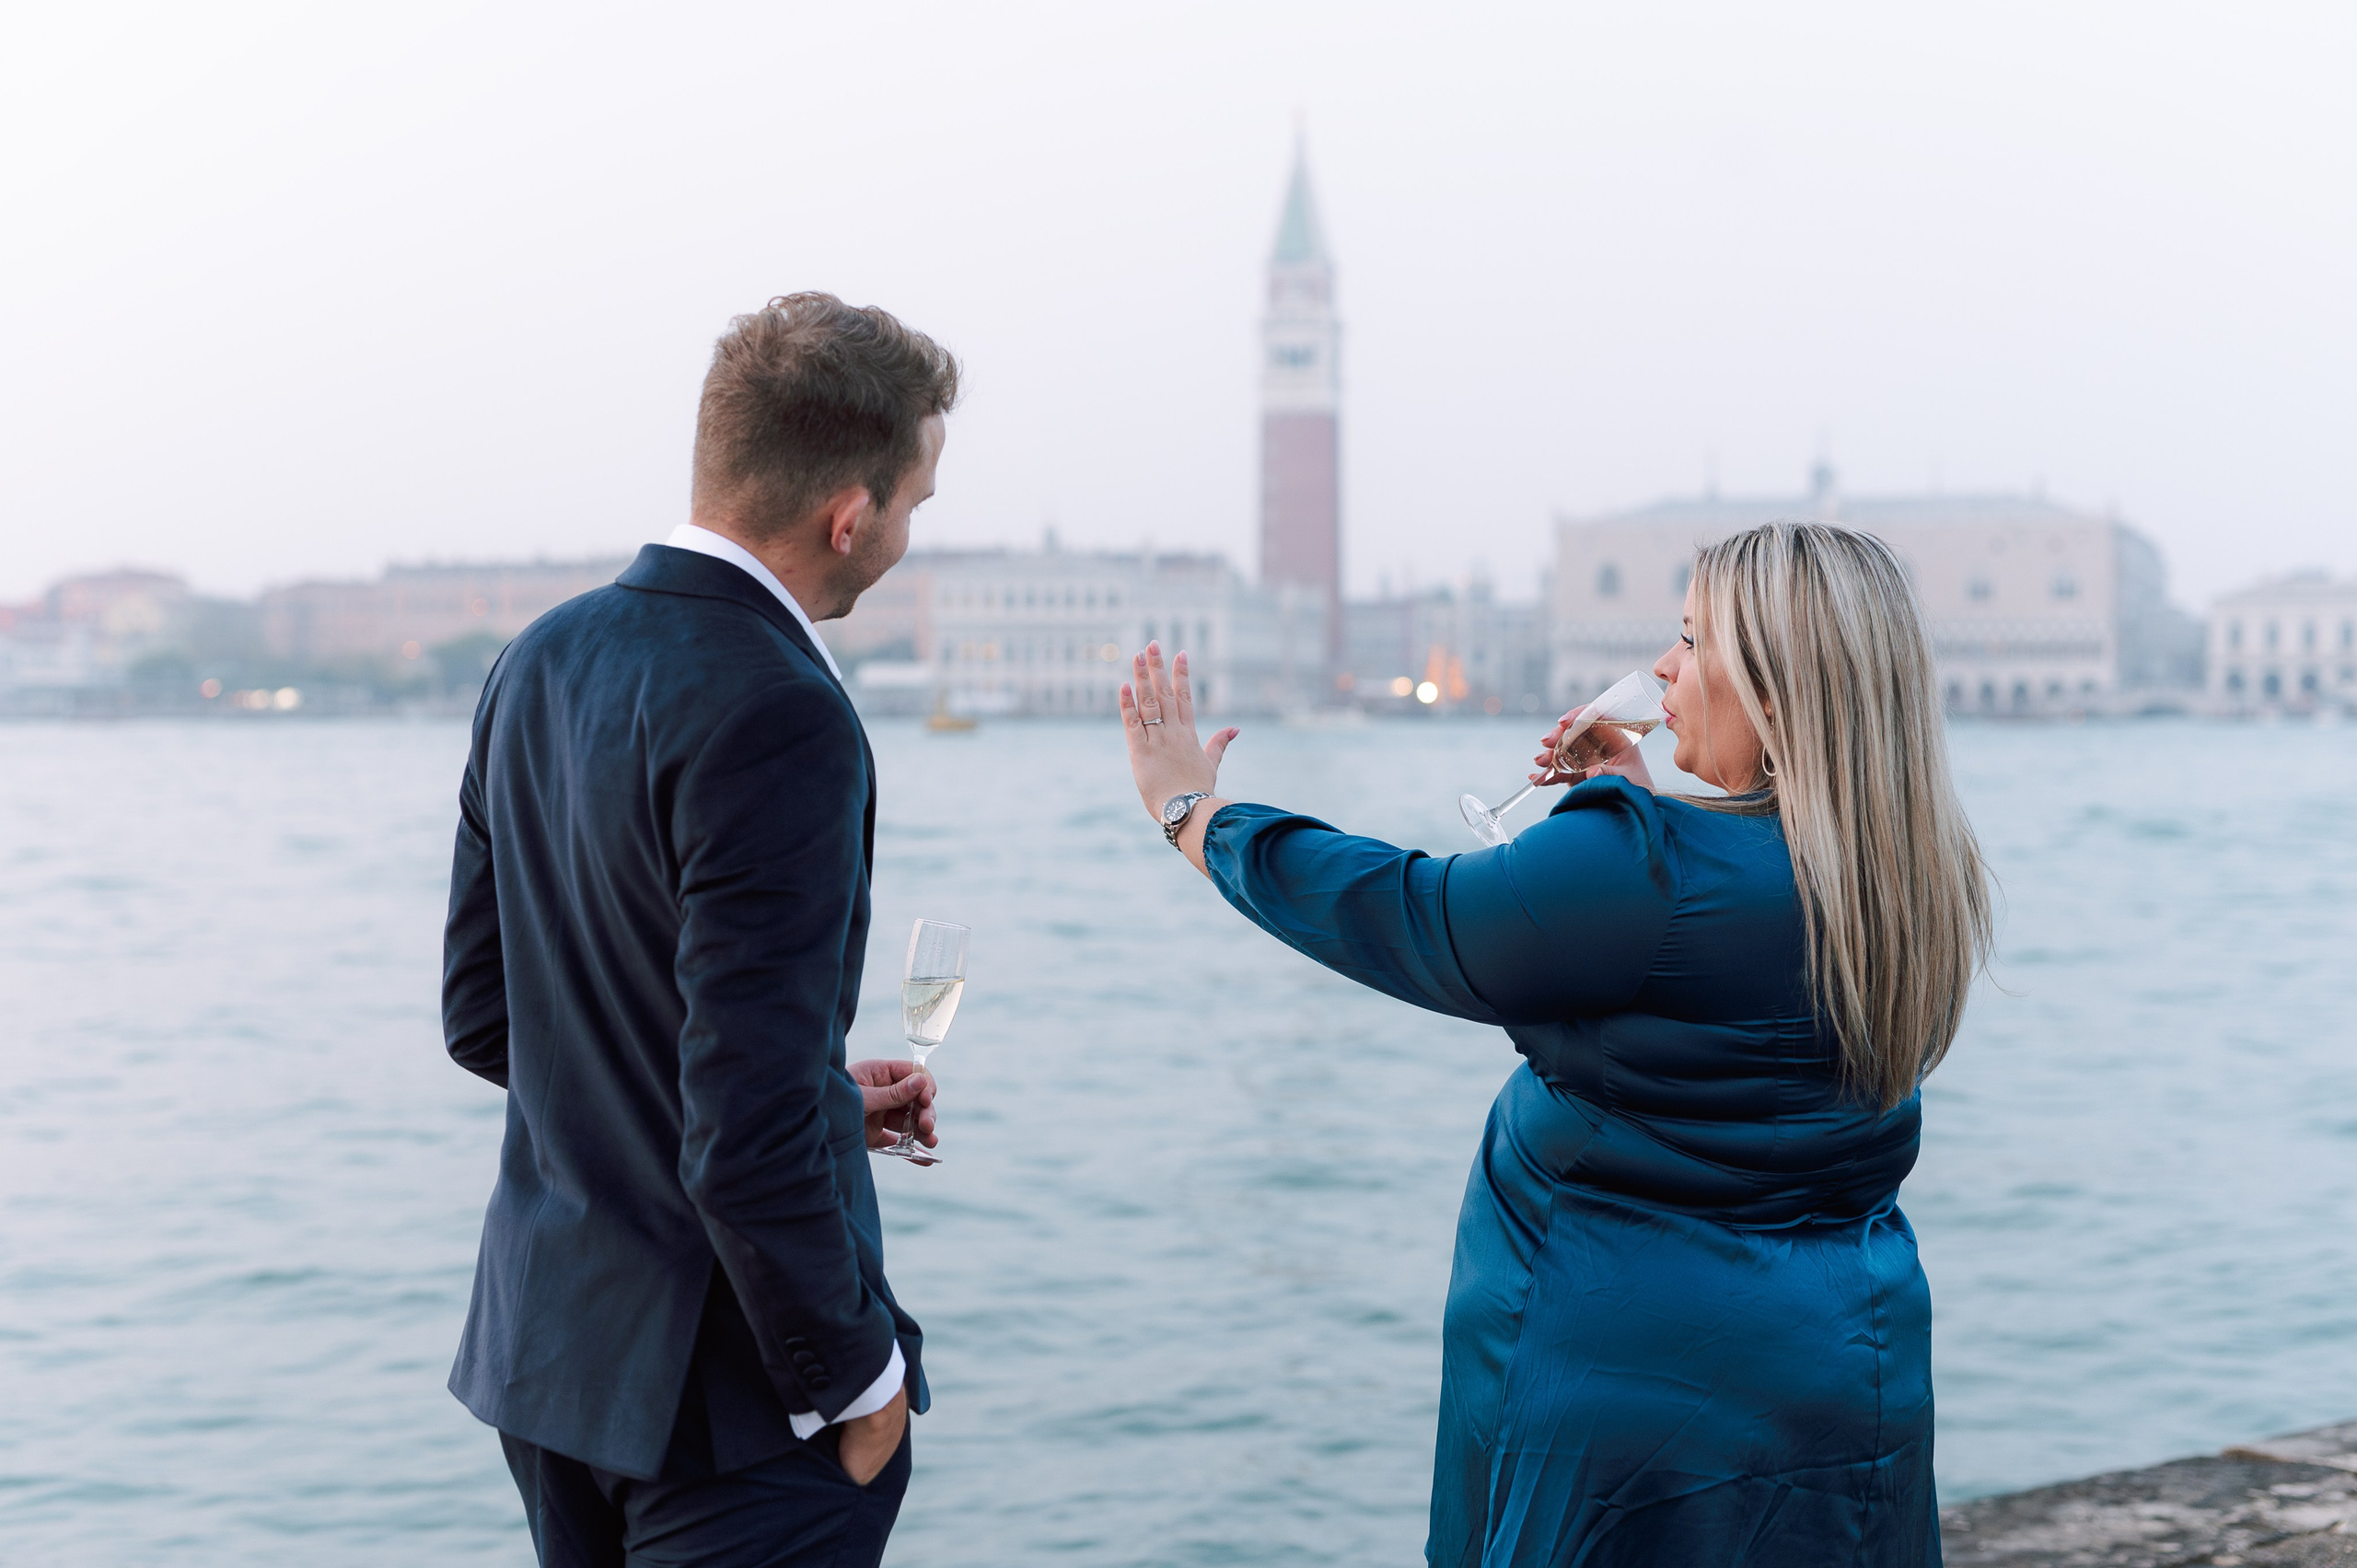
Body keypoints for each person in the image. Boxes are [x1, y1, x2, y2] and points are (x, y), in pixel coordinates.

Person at [1120, 521, 1991, 1566]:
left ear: (1776, 683)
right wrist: (1627, 804)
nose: (1664, 665)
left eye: (1693, 638)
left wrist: (1195, 811)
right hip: (1850, 1372)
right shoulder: (1904, 875)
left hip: (1639, 1410)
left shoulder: (1643, 863)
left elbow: (1412, 914)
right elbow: (1731, 975)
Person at [441, 293, 959, 1567]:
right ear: (850, 512)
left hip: (553, 1367)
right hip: (732, 1408)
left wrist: (811, 1088)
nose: (906, 533)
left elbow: (489, 1018)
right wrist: (859, 1382)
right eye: (914, 504)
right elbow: (740, 1132)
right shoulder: (784, 710)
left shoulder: (537, 660)